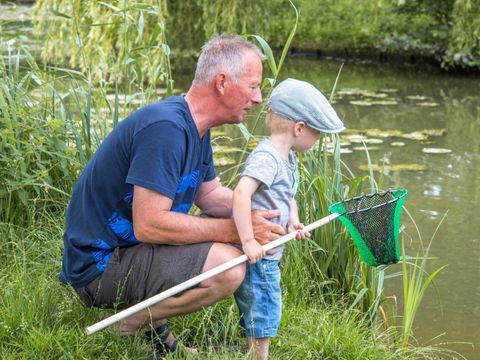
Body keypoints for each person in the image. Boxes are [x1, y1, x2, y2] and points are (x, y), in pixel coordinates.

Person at [60, 34, 286, 357]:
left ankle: (152, 327)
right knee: (229, 267)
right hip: (99, 266)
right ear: (222, 82)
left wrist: (268, 215)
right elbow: (149, 225)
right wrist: (235, 230)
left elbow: (210, 197)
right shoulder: (166, 129)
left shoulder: (197, 129)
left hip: (131, 251)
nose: (258, 98)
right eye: (252, 87)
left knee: (238, 242)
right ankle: (129, 324)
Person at [232, 78, 345, 360]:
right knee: (265, 307)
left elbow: (287, 195)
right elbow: (241, 194)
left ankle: (255, 352)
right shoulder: (268, 157)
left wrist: (293, 221)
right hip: (260, 255)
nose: (317, 139)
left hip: (271, 252)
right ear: (299, 128)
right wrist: (247, 241)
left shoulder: (287, 157)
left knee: (262, 305)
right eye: (316, 133)